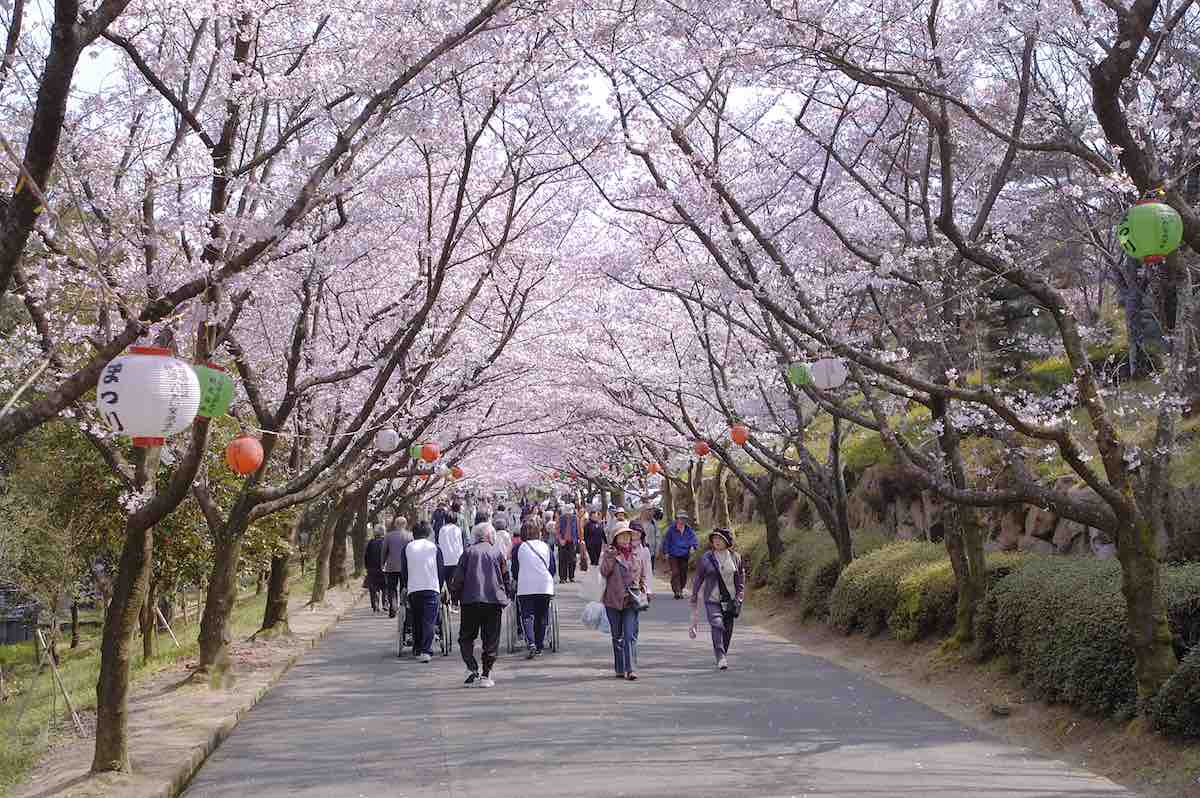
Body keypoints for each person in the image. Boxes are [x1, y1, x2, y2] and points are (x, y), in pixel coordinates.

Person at [450, 522, 513, 687]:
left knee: (466, 637)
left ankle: (471, 667)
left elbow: (458, 578)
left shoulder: (468, 552)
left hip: (470, 600)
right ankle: (486, 674)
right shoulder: (497, 552)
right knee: (491, 639)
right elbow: (506, 576)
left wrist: (454, 596)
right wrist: (508, 593)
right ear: (490, 536)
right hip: (493, 600)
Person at [689, 527, 745, 671]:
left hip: (731, 600)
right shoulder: (706, 557)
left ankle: (723, 653)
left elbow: (740, 579)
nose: (717, 541)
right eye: (714, 539)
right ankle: (720, 656)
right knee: (717, 624)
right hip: (712, 599)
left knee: (727, 629)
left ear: (727, 541)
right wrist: (694, 595)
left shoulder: (735, 557)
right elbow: (698, 578)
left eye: (720, 539)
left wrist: (740, 596)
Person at [600, 522, 646, 681]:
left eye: (628, 536)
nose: (626, 539)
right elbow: (604, 572)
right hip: (613, 600)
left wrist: (644, 590)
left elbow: (643, 575)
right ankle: (620, 668)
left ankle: (631, 668)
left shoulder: (636, 553)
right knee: (617, 636)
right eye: (622, 536)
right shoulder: (609, 554)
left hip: (632, 601)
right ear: (615, 538)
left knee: (630, 635)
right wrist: (611, 557)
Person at [399, 521, 445, 663]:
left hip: (414, 588)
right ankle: (426, 650)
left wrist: (405, 585)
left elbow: (404, 570)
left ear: (414, 533)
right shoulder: (435, 548)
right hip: (431, 587)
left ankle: (417, 648)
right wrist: (441, 585)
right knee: (429, 620)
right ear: (428, 533)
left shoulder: (407, 548)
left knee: (417, 619)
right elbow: (440, 570)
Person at [513, 521, 556, 658]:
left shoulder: (519, 547)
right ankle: (539, 645)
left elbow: (515, 569)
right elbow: (552, 568)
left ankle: (531, 643)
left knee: (527, 615)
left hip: (526, 586)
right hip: (544, 585)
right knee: (542, 615)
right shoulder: (546, 546)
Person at [661, 510, 698, 599]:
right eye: (680, 518)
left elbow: (694, 540)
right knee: (675, 572)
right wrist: (665, 552)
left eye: (684, 519)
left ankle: (680, 588)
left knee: (683, 573)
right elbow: (666, 541)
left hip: (685, 554)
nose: (682, 520)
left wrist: (693, 547)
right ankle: (677, 591)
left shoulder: (689, 530)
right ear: (677, 519)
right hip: (673, 554)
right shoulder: (671, 529)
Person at [437, 509, 468, 612]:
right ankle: (455, 602)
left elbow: (439, 542)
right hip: (456, 558)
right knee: (455, 582)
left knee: (445, 581)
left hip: (445, 559)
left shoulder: (442, 529)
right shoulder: (458, 529)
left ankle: (447, 602)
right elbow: (462, 543)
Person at [381, 517, 412, 617]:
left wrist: (382, 563)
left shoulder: (389, 536)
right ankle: (404, 607)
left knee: (392, 588)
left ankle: (393, 607)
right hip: (405, 566)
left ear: (395, 524)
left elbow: (384, 551)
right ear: (405, 524)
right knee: (404, 587)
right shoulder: (409, 536)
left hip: (391, 566)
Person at [364, 524, 387, 613]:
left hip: (372, 569)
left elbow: (366, 556)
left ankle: (375, 606)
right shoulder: (386, 541)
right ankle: (385, 604)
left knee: (374, 588)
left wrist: (367, 567)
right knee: (385, 587)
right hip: (384, 568)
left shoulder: (370, 542)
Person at [630, 522, 654, 603]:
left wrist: (648, 590)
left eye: (638, 531)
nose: (635, 532)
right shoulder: (622, 546)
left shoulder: (644, 550)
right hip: (621, 589)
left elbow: (647, 571)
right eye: (633, 530)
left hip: (636, 589)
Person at [556, 505, 580, 583]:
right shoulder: (561, 518)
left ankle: (571, 576)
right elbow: (557, 530)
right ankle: (563, 578)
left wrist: (579, 540)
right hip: (562, 542)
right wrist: (560, 539)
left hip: (572, 541)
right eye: (566, 513)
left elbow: (578, 529)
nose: (568, 514)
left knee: (572, 560)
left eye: (569, 513)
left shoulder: (575, 518)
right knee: (562, 560)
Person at [637, 504, 660, 568]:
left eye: (652, 510)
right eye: (649, 510)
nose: (651, 512)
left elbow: (657, 537)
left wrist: (657, 550)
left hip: (651, 552)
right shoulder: (636, 522)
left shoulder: (654, 522)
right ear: (643, 511)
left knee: (650, 572)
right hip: (638, 553)